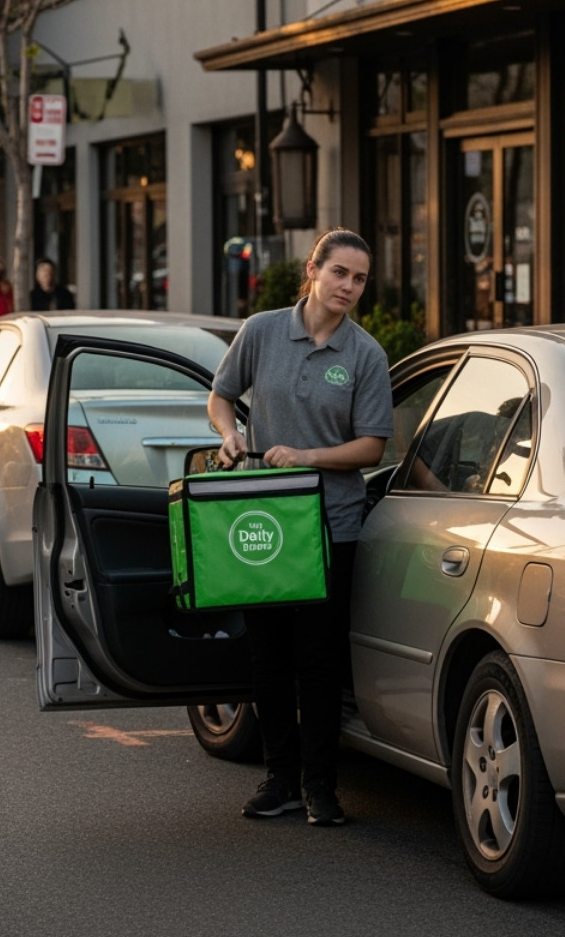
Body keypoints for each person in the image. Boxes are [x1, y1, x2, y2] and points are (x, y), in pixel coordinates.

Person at [206, 229, 394, 828]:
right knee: (267, 657)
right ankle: (279, 779)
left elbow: (372, 446)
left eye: (360, 279)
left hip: (329, 525)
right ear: (313, 270)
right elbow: (220, 395)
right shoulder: (262, 331)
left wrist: (309, 455)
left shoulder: (365, 355)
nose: (349, 287)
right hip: (264, 519)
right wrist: (229, 435)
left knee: (318, 662)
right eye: (340, 273)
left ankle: (321, 787)